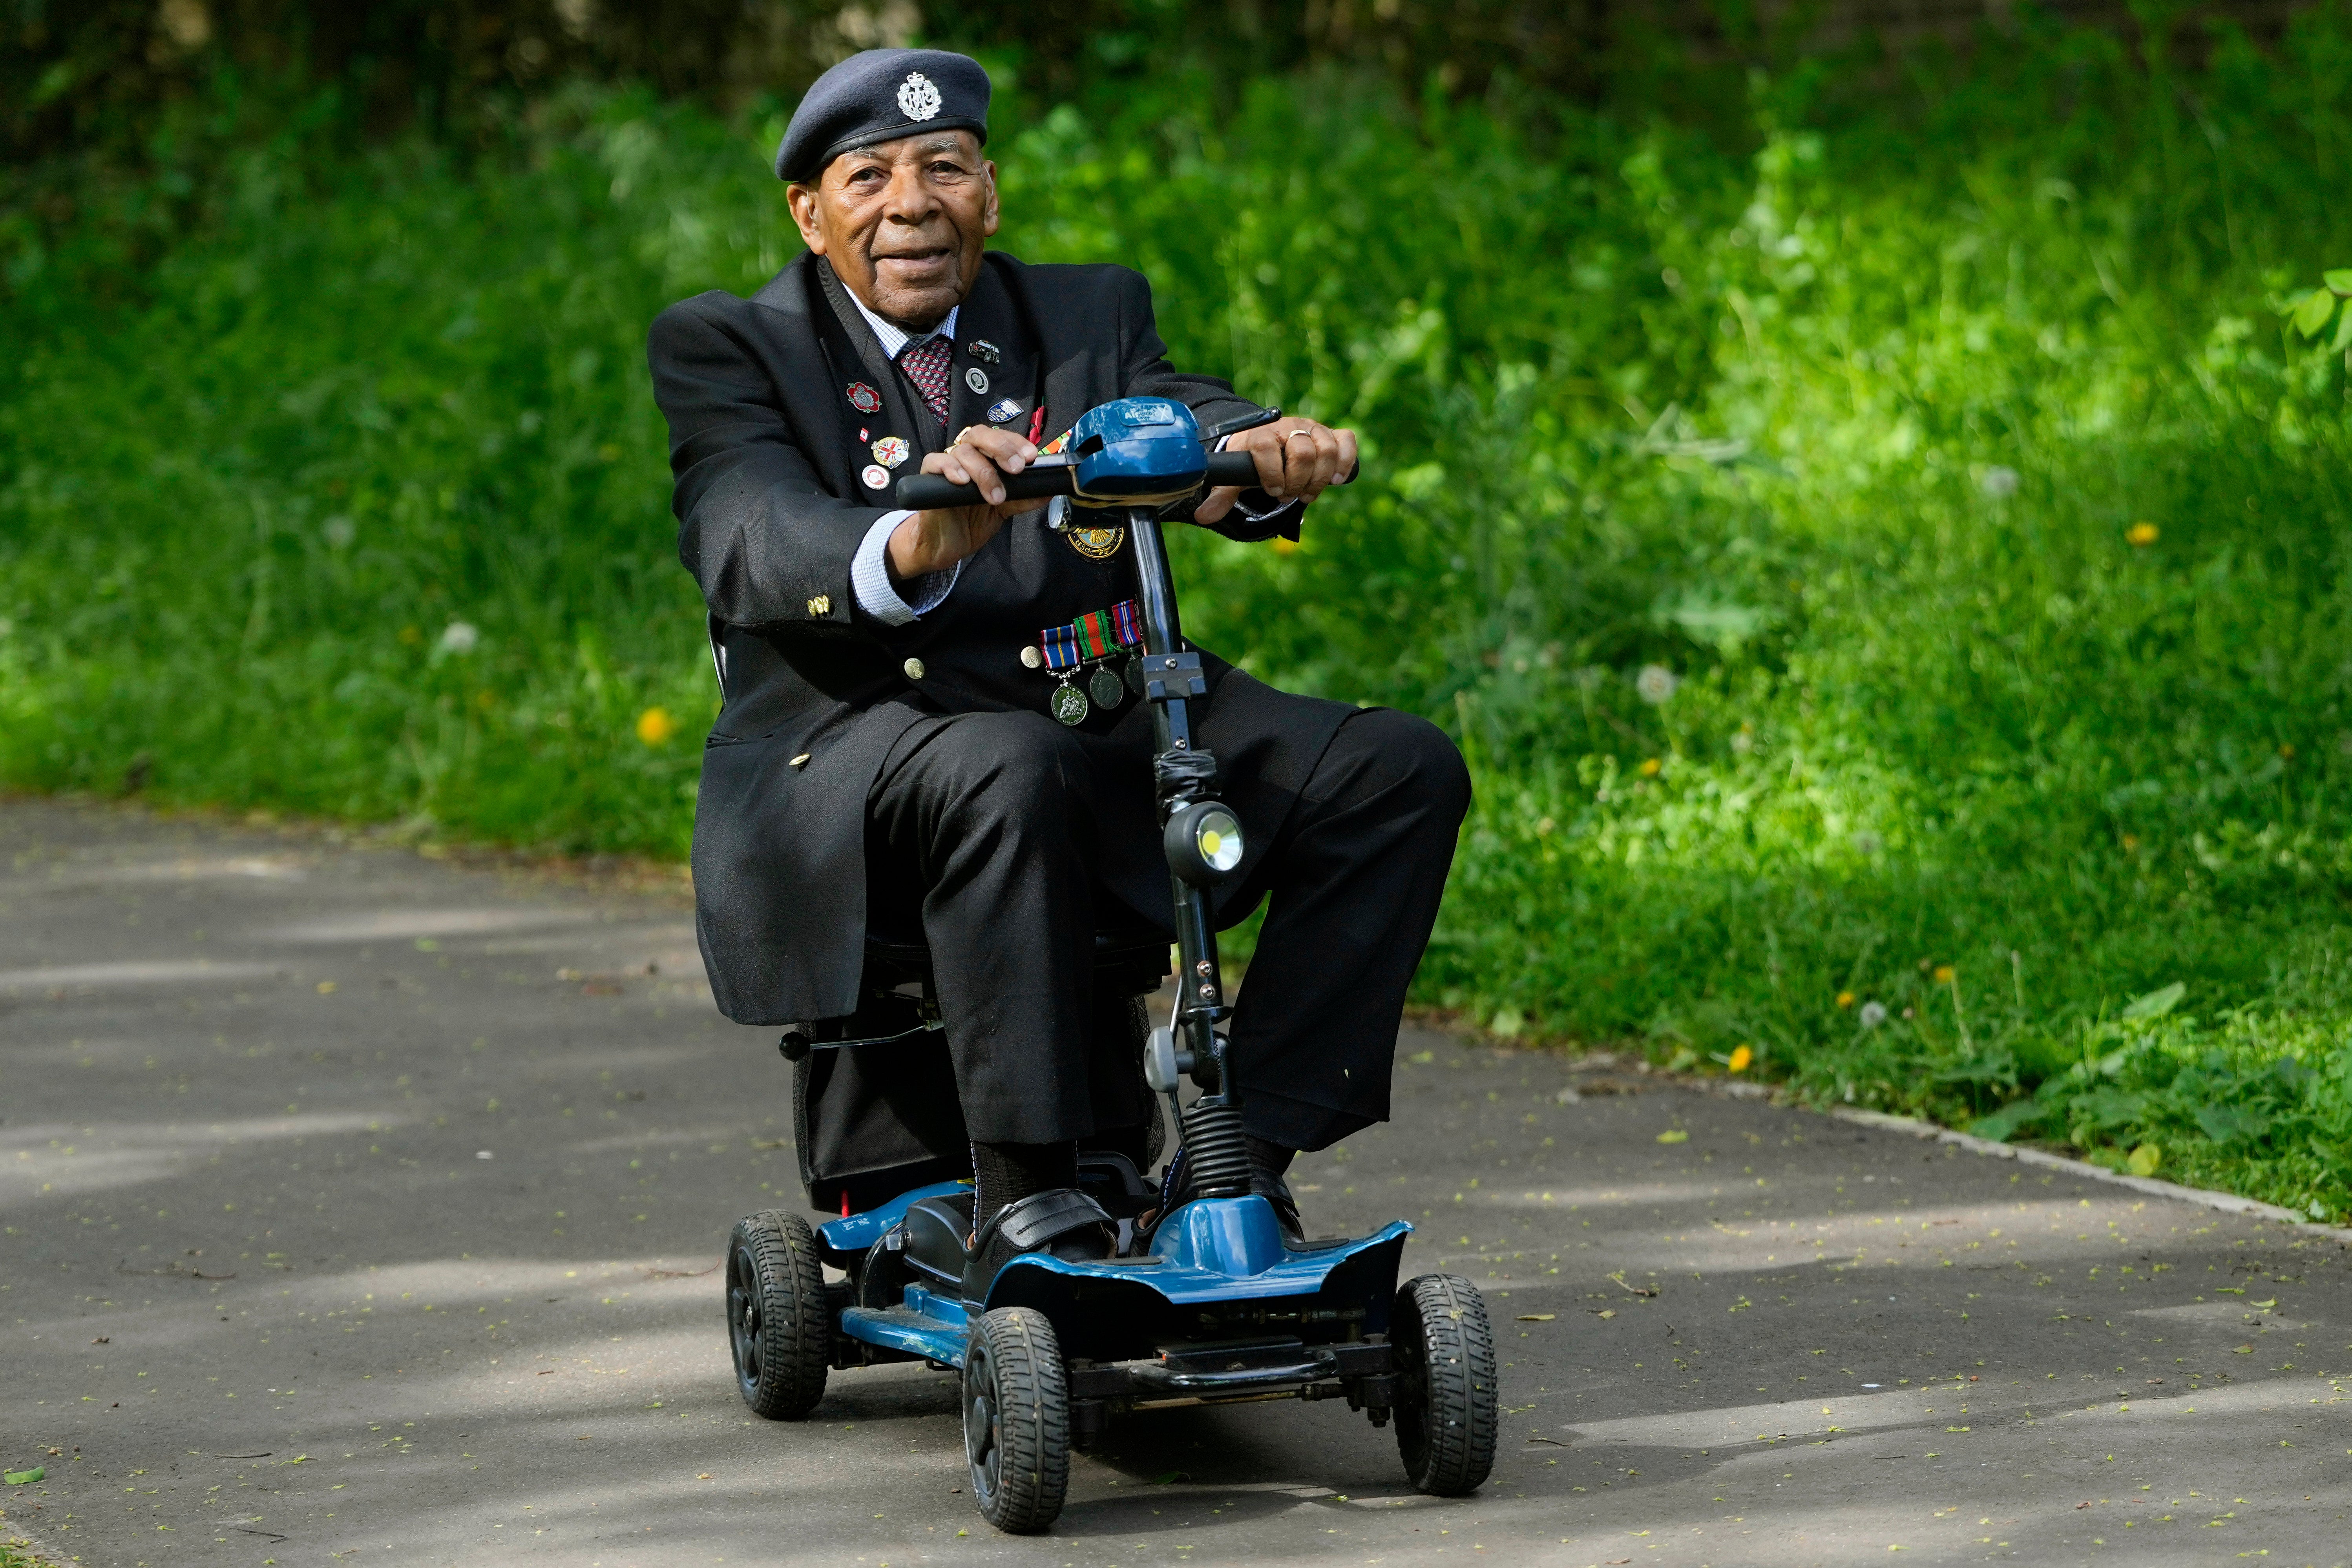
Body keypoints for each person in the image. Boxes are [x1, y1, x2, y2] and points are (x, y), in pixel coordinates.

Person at [647, 47, 1468, 1270]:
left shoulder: (1084, 311)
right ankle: (1025, 1197)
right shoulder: (736, 343)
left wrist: (1257, 450)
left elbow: (1172, 409)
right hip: (861, 749)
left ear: (991, 190)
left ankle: (1230, 1163)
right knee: (1003, 763)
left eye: (945, 168)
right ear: (809, 215)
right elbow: (748, 525)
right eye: (868, 176)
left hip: (1096, 713)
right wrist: (917, 537)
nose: (912, 204)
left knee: (1396, 770)